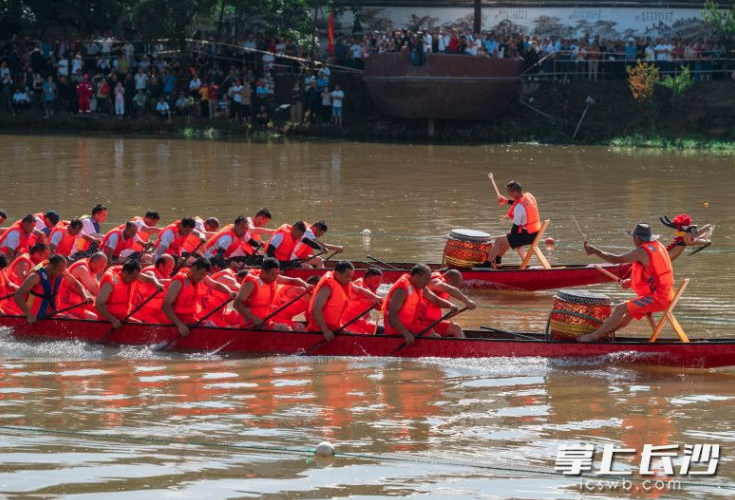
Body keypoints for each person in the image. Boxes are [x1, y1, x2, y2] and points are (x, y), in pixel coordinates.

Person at [578, 223, 675, 342]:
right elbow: (653, 273)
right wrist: (631, 281)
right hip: (666, 295)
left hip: (658, 298)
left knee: (620, 308)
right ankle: (606, 332)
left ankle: (593, 336)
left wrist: (594, 250)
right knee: (629, 312)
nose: (633, 240)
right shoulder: (656, 246)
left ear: (637, 238)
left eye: (633, 238)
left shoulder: (642, 251)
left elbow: (616, 259)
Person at [382, 264, 458, 345]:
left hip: (411, 326)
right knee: (431, 334)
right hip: (397, 329)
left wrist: (450, 305)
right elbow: (392, 316)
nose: (428, 282)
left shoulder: (421, 286)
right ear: (416, 277)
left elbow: (435, 300)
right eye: (426, 279)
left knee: (452, 328)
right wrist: (406, 334)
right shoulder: (401, 290)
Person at [162, 257, 236, 336]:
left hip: (191, 319)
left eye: (204, 275)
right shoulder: (178, 282)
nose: (202, 277)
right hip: (175, 321)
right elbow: (165, 305)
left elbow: (216, 285)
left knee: (213, 327)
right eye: (201, 274)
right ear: (194, 269)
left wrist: (230, 292)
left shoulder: (201, 277)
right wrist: (180, 325)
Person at [14, 255, 93, 324]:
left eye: (62, 270)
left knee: (73, 321)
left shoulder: (62, 271)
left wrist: (84, 295)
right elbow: (18, 295)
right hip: (35, 317)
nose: (61, 273)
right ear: (51, 266)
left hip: (52, 313)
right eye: (59, 270)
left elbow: (76, 283)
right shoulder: (35, 277)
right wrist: (28, 315)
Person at [233, 257, 308, 330]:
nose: (275, 277)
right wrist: (255, 319)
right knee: (286, 330)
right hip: (251, 324)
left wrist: (306, 285)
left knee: (287, 329)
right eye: (272, 274)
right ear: (263, 271)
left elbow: (293, 280)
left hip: (266, 321)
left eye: (277, 273)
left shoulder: (273, 278)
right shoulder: (251, 284)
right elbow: (236, 304)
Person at [485, 179, 542, 269]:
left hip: (528, 236)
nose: (509, 195)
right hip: (535, 233)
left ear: (515, 193)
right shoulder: (529, 197)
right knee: (507, 237)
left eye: (509, 193)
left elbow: (515, 229)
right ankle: (498, 259)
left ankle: (486, 265)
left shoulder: (519, 208)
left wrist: (509, 238)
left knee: (498, 241)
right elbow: (521, 203)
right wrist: (507, 201)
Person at [95, 260, 164, 328]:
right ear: (125, 273)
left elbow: (149, 279)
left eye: (136, 277)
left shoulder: (133, 274)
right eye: (133, 277)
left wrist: (157, 284)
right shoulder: (111, 282)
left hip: (122, 318)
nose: (135, 280)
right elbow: (98, 304)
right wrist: (113, 320)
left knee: (141, 326)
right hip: (107, 320)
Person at [307, 261, 365, 339]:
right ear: (338, 274)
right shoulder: (327, 287)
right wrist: (325, 330)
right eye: (347, 276)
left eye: (351, 277)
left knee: (356, 337)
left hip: (334, 327)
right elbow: (316, 308)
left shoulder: (344, 282)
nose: (349, 279)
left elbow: (359, 290)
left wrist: (375, 297)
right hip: (320, 329)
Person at [417, 269, 477, 338]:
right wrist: (467, 301)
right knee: (456, 329)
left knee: (455, 327)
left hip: (428, 321)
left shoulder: (432, 281)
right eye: (455, 286)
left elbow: (433, 306)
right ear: (450, 281)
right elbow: (450, 289)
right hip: (421, 323)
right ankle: (462, 348)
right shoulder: (436, 282)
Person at [58, 252, 108, 319]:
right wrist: (111, 296)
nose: (103, 270)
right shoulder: (82, 269)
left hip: (77, 302)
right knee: (93, 317)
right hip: (65, 303)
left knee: (103, 312)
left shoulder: (92, 266)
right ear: (93, 264)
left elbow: (97, 285)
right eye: (101, 266)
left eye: (104, 267)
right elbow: (93, 290)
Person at [131, 254, 175, 324]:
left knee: (173, 323)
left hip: (156, 312)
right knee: (157, 328)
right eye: (171, 267)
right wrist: (176, 281)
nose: (172, 271)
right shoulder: (149, 272)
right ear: (161, 266)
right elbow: (156, 281)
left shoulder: (165, 275)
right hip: (140, 311)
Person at [341, 267, 384, 334]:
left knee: (382, 330)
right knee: (366, 336)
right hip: (344, 321)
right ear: (367, 279)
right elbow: (367, 297)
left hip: (356, 320)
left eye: (380, 282)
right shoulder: (359, 283)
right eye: (376, 282)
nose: (378, 285)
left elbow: (377, 307)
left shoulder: (372, 290)